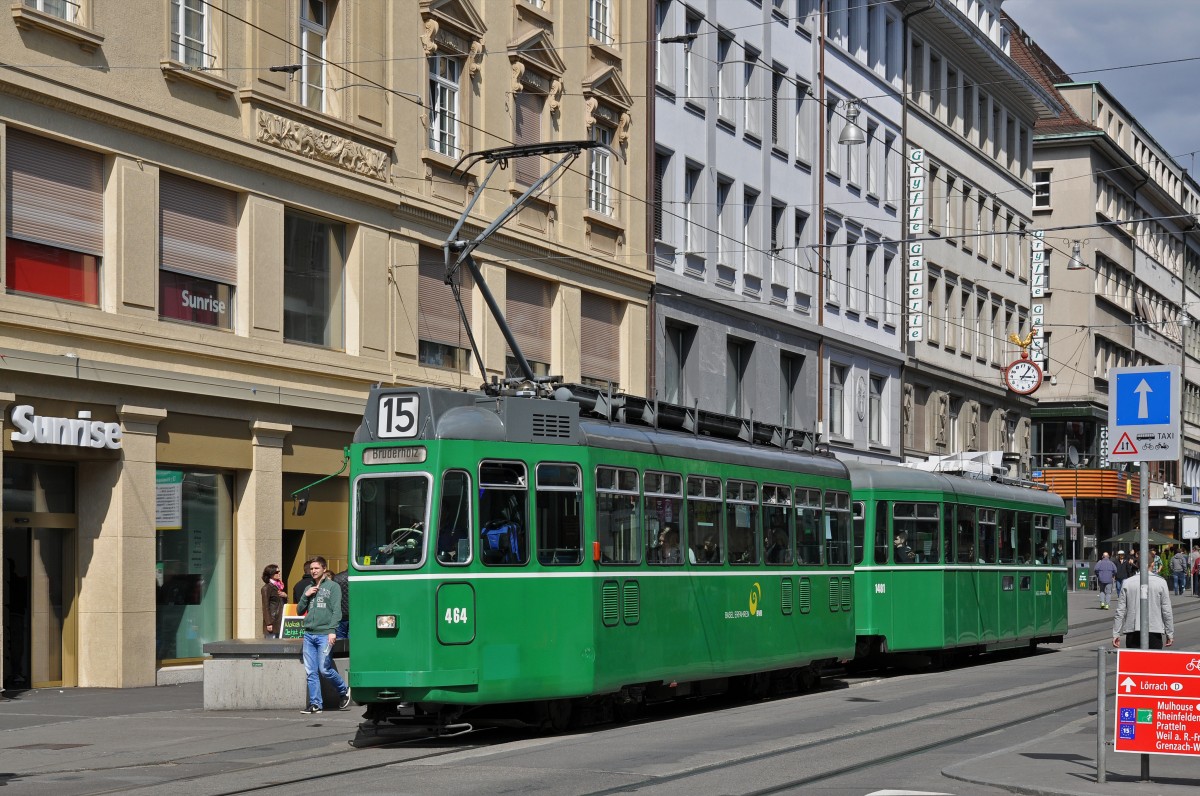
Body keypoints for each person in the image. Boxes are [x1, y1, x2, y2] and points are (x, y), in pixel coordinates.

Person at [297, 557, 351, 714]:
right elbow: (299, 610)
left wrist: (332, 630)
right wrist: (305, 595)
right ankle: (315, 704)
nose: (313, 571)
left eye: (316, 568)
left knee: (324, 668)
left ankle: (344, 690)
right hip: (309, 634)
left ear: (324, 569)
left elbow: (336, 610)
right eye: (312, 569)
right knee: (311, 671)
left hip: (324, 635)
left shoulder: (333, 587)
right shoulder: (309, 587)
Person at [1113, 563, 1174, 650]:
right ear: (1152, 564)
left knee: (1134, 663)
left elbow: (1120, 610)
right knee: (1153, 662)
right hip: (1154, 630)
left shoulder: (1127, 582)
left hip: (1133, 630)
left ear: (1137, 564)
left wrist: (1116, 633)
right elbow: (1166, 610)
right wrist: (1169, 633)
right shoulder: (1161, 582)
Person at [260, 564, 287, 638]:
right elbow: (265, 606)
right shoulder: (266, 588)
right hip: (273, 620)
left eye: (279, 571)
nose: (279, 573)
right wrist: (268, 623)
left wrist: (285, 596)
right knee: (271, 645)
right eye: (276, 572)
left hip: (280, 619)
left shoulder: (279, 586)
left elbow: (281, 603)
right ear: (270, 574)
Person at [332, 568, 350, 640]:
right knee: (353, 640)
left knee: (340, 640)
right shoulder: (359, 578)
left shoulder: (337, 578)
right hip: (354, 615)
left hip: (340, 615)